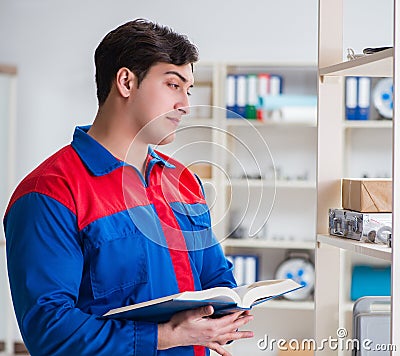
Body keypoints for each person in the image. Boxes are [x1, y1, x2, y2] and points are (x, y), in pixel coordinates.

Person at [3, 19, 254, 356]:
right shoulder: (49, 195)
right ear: (126, 82)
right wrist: (168, 336)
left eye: (188, 89)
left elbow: (215, 276)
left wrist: (224, 318)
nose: (185, 105)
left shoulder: (183, 182)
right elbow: (50, 331)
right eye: (172, 85)